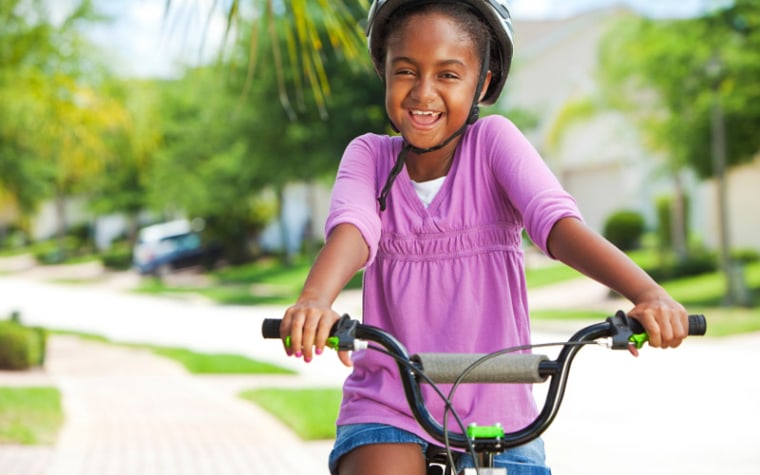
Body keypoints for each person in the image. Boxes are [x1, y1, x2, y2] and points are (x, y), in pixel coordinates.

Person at [278, 1, 689, 474]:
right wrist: (315, 299)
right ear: (384, 73)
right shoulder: (368, 156)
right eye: (406, 71)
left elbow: (555, 224)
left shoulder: (494, 144)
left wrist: (648, 293)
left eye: (448, 75)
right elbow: (354, 227)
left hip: (502, 412)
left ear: (483, 83)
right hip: (391, 404)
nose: (423, 93)